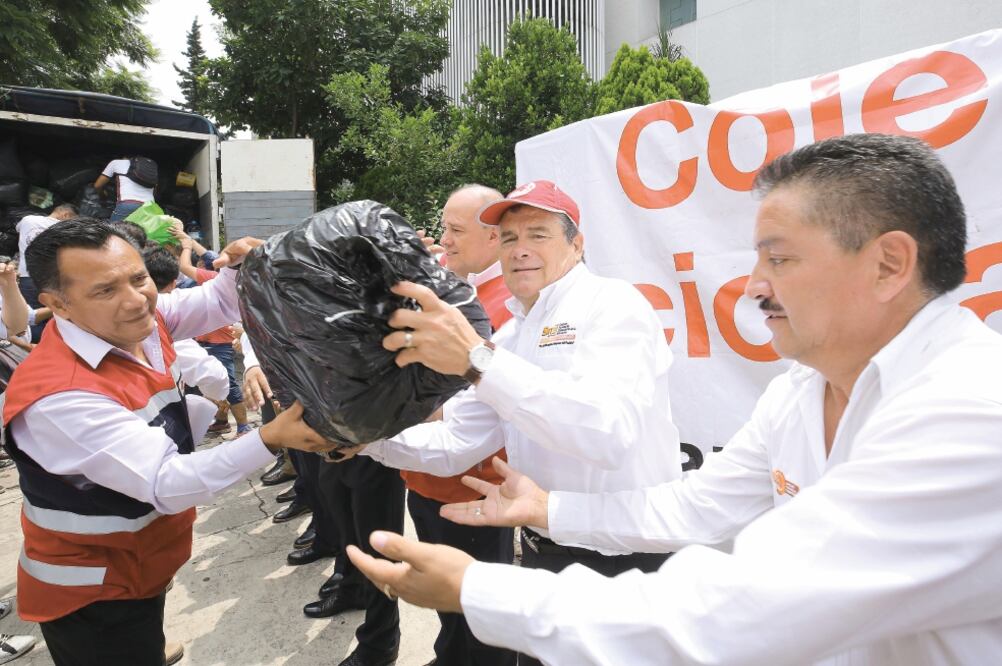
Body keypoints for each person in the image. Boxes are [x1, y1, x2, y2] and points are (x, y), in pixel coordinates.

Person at [348, 133, 1002, 665]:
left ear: (889, 264)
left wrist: (480, 589)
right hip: (570, 549)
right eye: (510, 237)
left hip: (623, 580)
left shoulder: (970, 414)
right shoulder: (799, 394)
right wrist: (550, 508)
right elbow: (694, 505)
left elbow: (746, 610)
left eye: (779, 260)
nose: (754, 288)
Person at [354, 179, 682, 665]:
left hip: (628, 558)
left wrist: (477, 362)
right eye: (509, 238)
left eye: (538, 234)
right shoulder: (511, 335)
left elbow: (606, 432)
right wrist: (359, 438)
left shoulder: (614, 305)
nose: (520, 249)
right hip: (545, 550)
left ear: (577, 244)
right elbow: (456, 444)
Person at [2, 219, 337, 666]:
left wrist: (236, 268)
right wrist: (271, 437)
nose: (135, 299)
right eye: (105, 290)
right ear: (57, 305)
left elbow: (217, 301)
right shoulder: (58, 395)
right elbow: (165, 481)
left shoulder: (140, 321)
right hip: (93, 592)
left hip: (141, 565)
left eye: (138, 278)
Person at [390, 184, 517, 666]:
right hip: (422, 475)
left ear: (493, 236)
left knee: (484, 611)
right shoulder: (444, 285)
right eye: (443, 226)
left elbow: (467, 407)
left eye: (455, 230)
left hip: (474, 487)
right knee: (448, 601)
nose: (443, 239)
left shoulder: (509, 302)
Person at [176, 231, 251, 436]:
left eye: (200, 263)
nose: (198, 265)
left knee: (228, 384)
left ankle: (244, 426)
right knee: (215, 384)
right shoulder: (215, 280)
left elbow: (186, 266)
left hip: (219, 344)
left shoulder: (211, 279)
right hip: (211, 342)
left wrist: (186, 245)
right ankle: (221, 420)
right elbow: (210, 256)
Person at [16, 203, 77, 341]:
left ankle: (33, 343)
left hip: (27, 277)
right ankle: (51, 342)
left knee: (32, 315)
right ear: (65, 215)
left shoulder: (28, 220)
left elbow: (17, 228)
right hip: (50, 278)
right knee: (55, 313)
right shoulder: (63, 228)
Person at [94, 156, 157, 221]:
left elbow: (97, 185)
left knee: (114, 230)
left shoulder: (116, 163)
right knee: (142, 231)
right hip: (150, 207)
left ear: (124, 157)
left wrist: (102, 196)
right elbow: (155, 190)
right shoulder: (150, 167)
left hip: (128, 204)